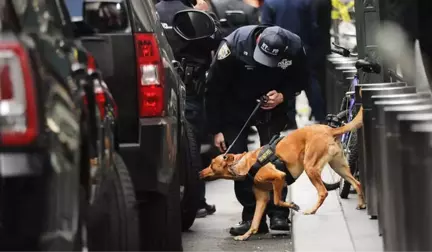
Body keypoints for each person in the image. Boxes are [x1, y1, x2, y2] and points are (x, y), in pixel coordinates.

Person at [205, 25, 309, 235]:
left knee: (275, 160)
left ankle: (278, 212)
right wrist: (216, 129)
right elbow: (213, 88)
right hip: (235, 108)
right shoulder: (234, 46)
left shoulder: (295, 46)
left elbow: (302, 79)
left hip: (272, 107)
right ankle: (251, 216)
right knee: (237, 164)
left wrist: (283, 95)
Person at [156, 0, 222, 218]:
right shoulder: (190, 15)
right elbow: (215, 42)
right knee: (191, 146)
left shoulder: (152, 13)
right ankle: (197, 200)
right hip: (190, 90)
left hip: (161, 88)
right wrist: (205, 16)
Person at [260, 0, 327, 123]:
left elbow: (265, 28)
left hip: (279, 49)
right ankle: (320, 116)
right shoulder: (305, 2)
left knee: (283, 82)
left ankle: (289, 120)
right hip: (303, 47)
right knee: (310, 82)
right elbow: (313, 25)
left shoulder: (270, 3)